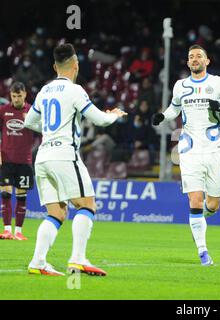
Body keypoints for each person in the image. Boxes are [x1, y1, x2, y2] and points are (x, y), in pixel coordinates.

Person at [24, 43, 127, 276]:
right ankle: (78, 259)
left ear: (54, 66)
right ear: (75, 65)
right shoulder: (75, 90)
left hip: (42, 156)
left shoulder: (44, 91)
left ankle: (38, 262)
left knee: (57, 213)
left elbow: (29, 122)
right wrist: (114, 115)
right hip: (64, 155)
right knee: (87, 205)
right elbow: (99, 120)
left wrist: (50, 130)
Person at [152, 45, 220, 266]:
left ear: (207, 61)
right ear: (187, 62)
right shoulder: (180, 86)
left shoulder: (218, 83)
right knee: (195, 199)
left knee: (213, 205)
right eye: (191, 57)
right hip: (189, 149)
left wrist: (219, 106)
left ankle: (199, 218)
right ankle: (203, 253)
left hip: (214, 150)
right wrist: (162, 116)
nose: (194, 59)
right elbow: (174, 109)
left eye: (199, 56)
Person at [0, 82, 35, 240]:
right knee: (5, 194)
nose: (16, 99)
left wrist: (32, 121)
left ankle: (18, 232)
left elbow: (42, 131)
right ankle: (7, 230)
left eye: (19, 96)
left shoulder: (32, 111)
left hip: (24, 161)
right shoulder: (3, 110)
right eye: (13, 96)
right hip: (6, 159)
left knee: (21, 196)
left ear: (25, 94)